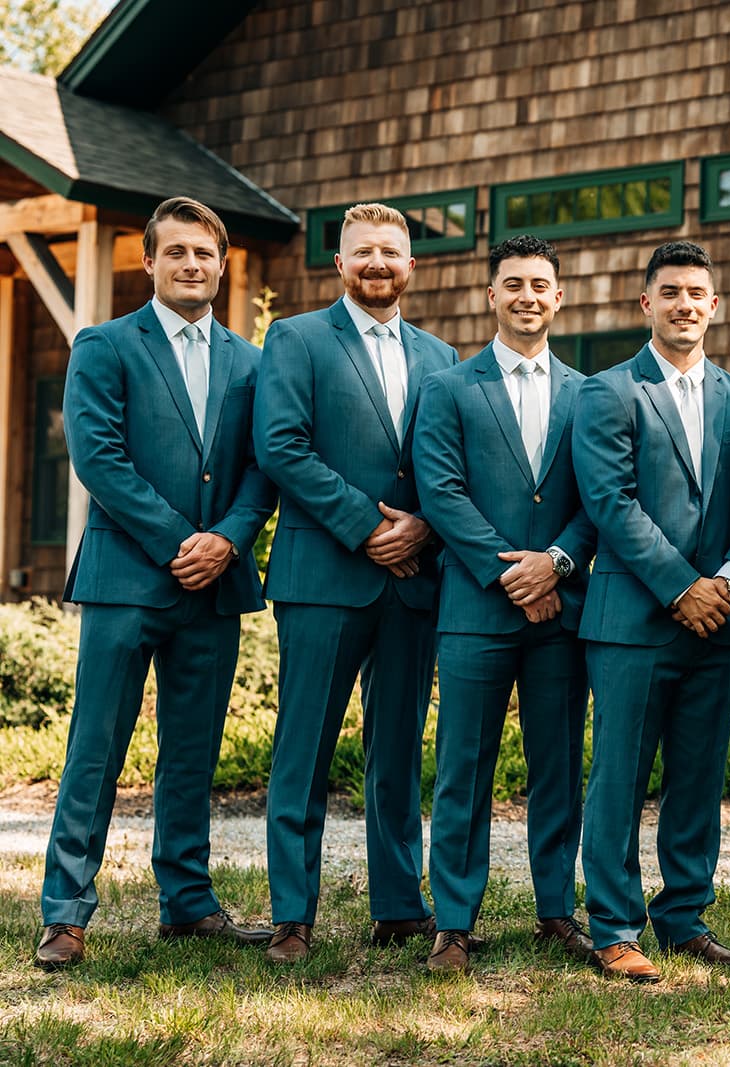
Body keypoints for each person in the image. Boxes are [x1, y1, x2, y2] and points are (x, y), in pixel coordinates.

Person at [36, 196, 277, 968]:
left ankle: (187, 901)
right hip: (125, 578)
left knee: (191, 752)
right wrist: (183, 541)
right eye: (176, 253)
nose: (191, 266)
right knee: (96, 748)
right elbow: (99, 458)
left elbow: (262, 468)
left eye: (204, 255)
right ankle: (65, 912)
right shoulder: (104, 345)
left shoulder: (250, 361)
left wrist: (230, 540)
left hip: (215, 587)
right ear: (150, 262)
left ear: (221, 264)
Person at [254, 202, 456, 963]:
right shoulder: (298, 338)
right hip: (323, 574)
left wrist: (425, 528)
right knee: (302, 747)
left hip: (414, 581)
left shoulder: (441, 357)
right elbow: (281, 446)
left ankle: (399, 902)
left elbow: (451, 466)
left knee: (398, 747)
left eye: (392, 252)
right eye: (363, 251)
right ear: (339, 264)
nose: (378, 263)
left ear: (413, 266)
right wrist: (368, 527)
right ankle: (292, 914)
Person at [572, 241, 730, 983]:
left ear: (715, 306)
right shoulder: (608, 392)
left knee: (698, 777)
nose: (686, 303)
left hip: (722, 619)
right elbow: (610, 504)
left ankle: (685, 915)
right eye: (671, 291)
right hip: (632, 621)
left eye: (698, 293)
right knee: (617, 775)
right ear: (645, 303)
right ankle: (614, 926)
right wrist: (682, 586)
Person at [411, 235, 597, 973]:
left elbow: (597, 499)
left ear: (558, 297)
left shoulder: (591, 394)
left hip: (561, 611)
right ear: (491, 296)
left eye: (540, 284)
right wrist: (509, 573)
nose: (527, 295)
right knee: (464, 765)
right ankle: (453, 921)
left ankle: (556, 908)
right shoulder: (449, 389)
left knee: (557, 764)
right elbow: (441, 493)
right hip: (475, 610)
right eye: (513, 283)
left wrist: (552, 565)